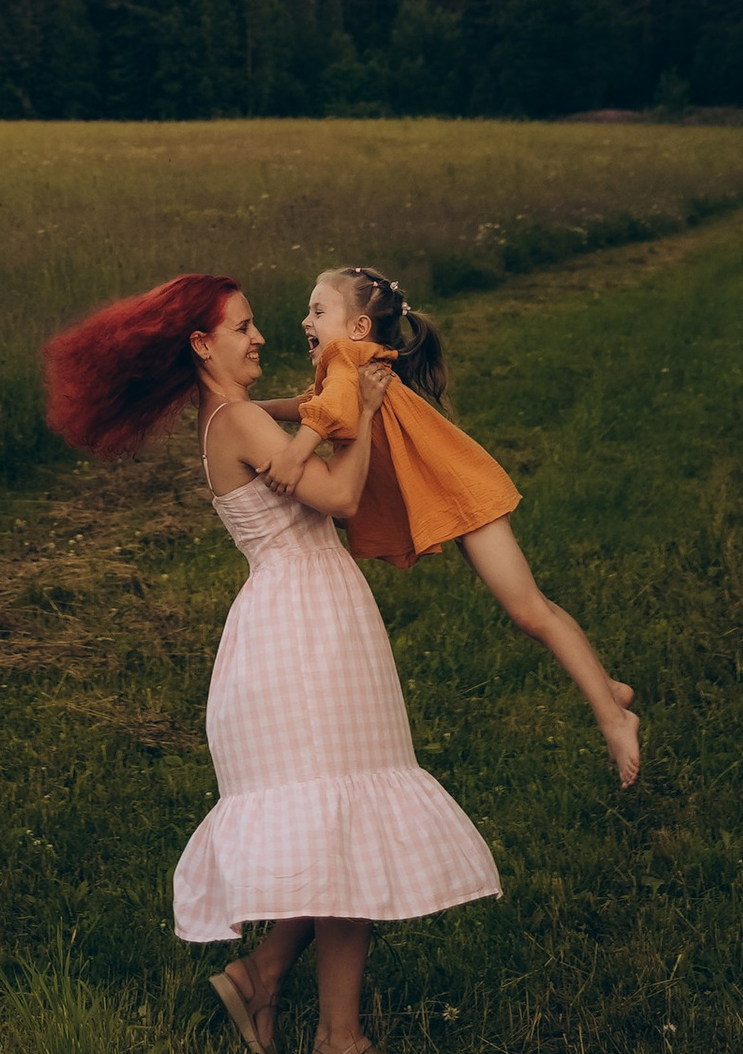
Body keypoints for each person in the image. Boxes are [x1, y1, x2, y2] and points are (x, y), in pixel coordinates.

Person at [42, 272, 499, 1054]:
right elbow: (341, 497)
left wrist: (342, 392)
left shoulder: (238, 416)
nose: (260, 338)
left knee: (336, 827)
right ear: (201, 344)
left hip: (307, 620)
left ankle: (263, 980)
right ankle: (338, 1048)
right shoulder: (238, 422)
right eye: (244, 328)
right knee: (347, 823)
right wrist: (353, 415)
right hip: (302, 633)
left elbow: (302, 416)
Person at [267, 265, 640, 788]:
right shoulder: (344, 363)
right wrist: (255, 411)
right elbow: (317, 406)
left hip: (461, 492)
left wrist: (295, 453)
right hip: (451, 488)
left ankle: (614, 717)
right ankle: (609, 690)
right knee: (532, 610)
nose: (305, 318)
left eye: (318, 310)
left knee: (531, 611)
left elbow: (325, 413)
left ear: (356, 329)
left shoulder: (344, 358)